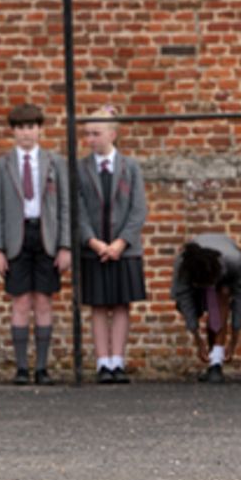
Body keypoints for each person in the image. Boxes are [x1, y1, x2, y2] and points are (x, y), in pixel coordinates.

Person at [0, 103, 71, 385]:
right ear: (13, 131)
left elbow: (64, 205)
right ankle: (22, 367)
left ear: (40, 129)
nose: (27, 134)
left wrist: (65, 245)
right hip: (17, 236)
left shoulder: (54, 162)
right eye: (21, 128)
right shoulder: (2, 164)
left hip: (45, 235)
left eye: (32, 127)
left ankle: (42, 367)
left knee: (43, 301)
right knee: (21, 302)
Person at [77, 107, 148, 383]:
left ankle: (118, 360)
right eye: (87, 134)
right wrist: (94, 243)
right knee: (97, 305)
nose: (91, 139)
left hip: (124, 250)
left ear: (112, 134)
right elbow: (78, 209)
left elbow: (138, 209)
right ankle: (102, 363)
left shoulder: (130, 167)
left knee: (120, 304)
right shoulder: (80, 168)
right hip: (93, 248)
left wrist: (119, 243)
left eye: (96, 133)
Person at [171, 234, 241, 383]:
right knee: (195, 306)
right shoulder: (183, 264)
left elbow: (240, 300)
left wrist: (233, 342)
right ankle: (213, 356)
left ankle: (216, 361)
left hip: (224, 272)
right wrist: (197, 339)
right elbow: (184, 299)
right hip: (195, 273)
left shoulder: (235, 262)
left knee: (223, 293)